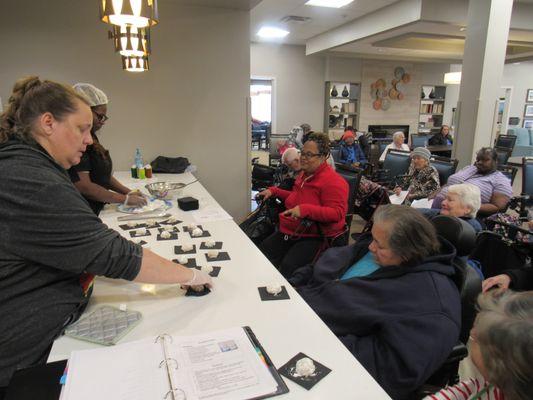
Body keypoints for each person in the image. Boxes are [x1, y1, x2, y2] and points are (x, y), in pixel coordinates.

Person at [0, 76, 212, 391]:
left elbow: (85, 238)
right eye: (81, 128)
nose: (88, 139)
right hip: (24, 361)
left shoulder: (31, 166)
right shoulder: (29, 178)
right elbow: (113, 255)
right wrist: (193, 275)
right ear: (48, 123)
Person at [291, 205, 461, 399]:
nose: (372, 246)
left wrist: (314, 341)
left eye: (380, 245)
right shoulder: (373, 250)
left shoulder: (432, 306)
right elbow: (321, 266)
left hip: (319, 354)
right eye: (373, 238)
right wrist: (291, 286)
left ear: (407, 252)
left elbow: (390, 369)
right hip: (297, 313)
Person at [258, 133, 348, 279]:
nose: (303, 158)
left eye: (309, 154)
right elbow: (295, 199)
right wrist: (273, 191)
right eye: (302, 153)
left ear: (323, 156)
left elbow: (337, 213)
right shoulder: (304, 175)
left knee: (289, 268)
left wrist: (305, 210)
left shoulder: (334, 182)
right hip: (294, 230)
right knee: (263, 252)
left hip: (315, 235)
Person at [424, 291, 533, 400]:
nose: (471, 331)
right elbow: (471, 388)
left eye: (475, 337)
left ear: (497, 362)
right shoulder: (493, 383)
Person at [67, 83, 146, 215]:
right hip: (86, 210)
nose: (102, 121)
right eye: (100, 116)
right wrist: (125, 199)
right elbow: (83, 186)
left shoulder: (91, 137)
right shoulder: (76, 142)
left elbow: (102, 175)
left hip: (98, 206)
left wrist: (128, 192)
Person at [432, 148, 513, 216]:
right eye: (478, 160)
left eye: (485, 160)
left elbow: (497, 207)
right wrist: (437, 192)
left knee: (421, 219)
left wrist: (465, 206)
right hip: (436, 204)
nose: (480, 162)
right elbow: (450, 184)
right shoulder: (469, 168)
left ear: (496, 161)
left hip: (461, 215)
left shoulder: (501, 180)